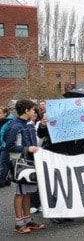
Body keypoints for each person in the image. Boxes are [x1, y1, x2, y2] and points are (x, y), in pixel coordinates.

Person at [4, 99, 45, 234]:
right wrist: (27, 149)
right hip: (20, 164)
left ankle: (28, 220)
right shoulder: (16, 126)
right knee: (20, 192)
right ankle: (18, 222)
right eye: (32, 109)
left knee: (27, 192)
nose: (35, 111)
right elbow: (9, 146)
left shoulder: (29, 124)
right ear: (26, 110)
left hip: (30, 162)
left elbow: (36, 142)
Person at [0, 106, 15, 187]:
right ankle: (6, 179)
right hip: (1, 145)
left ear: (5, 113)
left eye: (0, 113)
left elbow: (7, 135)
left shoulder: (9, 122)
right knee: (5, 163)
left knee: (3, 163)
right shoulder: (2, 121)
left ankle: (2, 181)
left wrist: (4, 144)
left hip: (5, 145)